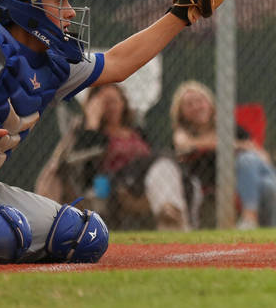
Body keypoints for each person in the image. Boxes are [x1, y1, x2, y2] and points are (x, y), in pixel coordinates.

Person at [0, 0, 208, 264]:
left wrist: (182, 13)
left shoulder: (50, 63)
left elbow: (119, 63)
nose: (70, 12)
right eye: (60, 0)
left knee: (83, 234)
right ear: (27, 4)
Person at [39, 83, 190, 231]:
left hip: (146, 178)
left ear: (123, 103)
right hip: (118, 181)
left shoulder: (136, 130)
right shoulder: (92, 133)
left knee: (162, 167)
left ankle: (169, 213)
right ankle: (171, 216)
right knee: (164, 159)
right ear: (95, 105)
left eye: (114, 101)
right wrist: (92, 121)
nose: (111, 107)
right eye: (105, 102)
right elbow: (81, 161)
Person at [169, 80, 276, 229]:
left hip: (250, 174)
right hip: (223, 183)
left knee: (247, 160)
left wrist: (242, 151)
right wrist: (232, 145)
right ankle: (268, 237)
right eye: (189, 104)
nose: (196, 106)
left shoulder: (228, 127)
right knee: (267, 186)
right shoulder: (183, 132)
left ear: (210, 104)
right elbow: (184, 144)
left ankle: (249, 217)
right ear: (181, 112)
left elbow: (262, 156)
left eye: (200, 101)